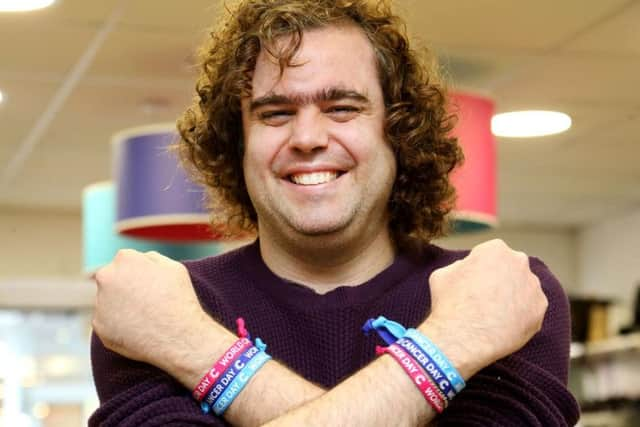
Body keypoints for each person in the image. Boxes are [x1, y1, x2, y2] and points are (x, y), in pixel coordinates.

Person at [90, 0, 580, 425]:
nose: (307, 138)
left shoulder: (503, 294)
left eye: (342, 108)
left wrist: (198, 351)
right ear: (237, 143)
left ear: (398, 130)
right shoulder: (158, 305)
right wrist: (449, 348)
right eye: (275, 113)